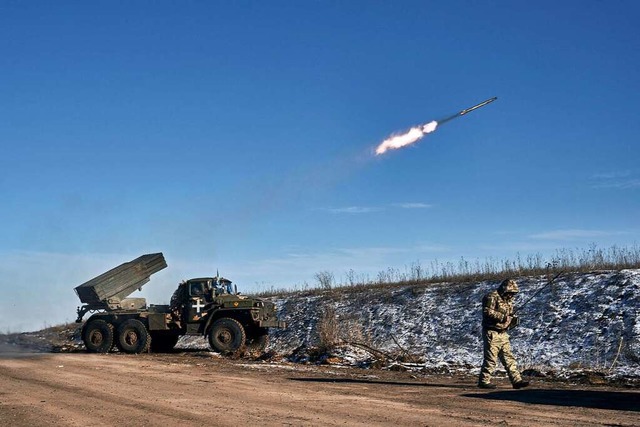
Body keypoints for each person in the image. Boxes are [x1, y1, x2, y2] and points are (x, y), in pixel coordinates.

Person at [478, 278, 530, 389]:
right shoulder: (491, 297)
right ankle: (484, 381)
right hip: (492, 332)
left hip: (503, 333)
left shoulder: (509, 301)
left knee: (509, 358)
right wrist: (503, 317)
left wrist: (513, 320)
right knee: (491, 359)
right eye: (510, 292)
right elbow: (487, 311)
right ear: (505, 289)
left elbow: (509, 313)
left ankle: (516, 381)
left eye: (513, 293)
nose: (511, 295)